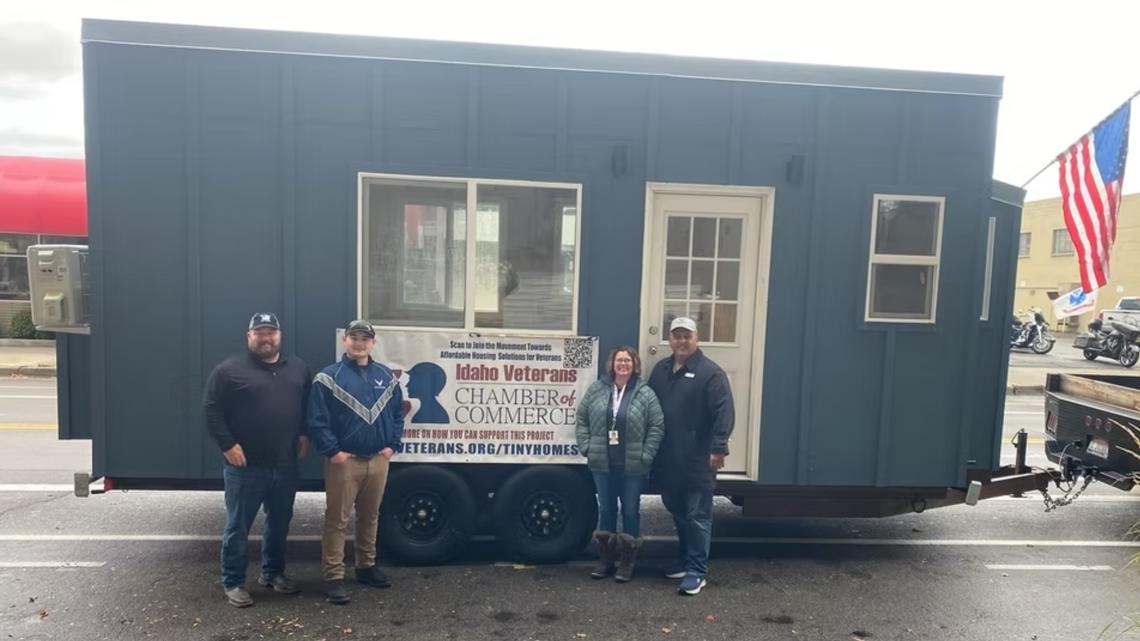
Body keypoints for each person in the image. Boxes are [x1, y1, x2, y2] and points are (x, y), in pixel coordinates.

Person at [203, 312, 311, 608]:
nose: (266, 338)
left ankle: (272, 573)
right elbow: (211, 411)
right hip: (245, 467)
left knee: (279, 522)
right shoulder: (229, 370)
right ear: (249, 336)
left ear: (280, 336)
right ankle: (233, 582)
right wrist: (227, 445)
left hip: (285, 464)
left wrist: (303, 434)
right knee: (238, 526)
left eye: (271, 332)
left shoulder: (299, 368)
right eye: (260, 333)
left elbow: (305, 406)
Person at [307, 320, 405, 605]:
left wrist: (392, 446)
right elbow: (316, 420)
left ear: (373, 343)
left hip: (378, 460)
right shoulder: (328, 377)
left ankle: (366, 567)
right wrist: (332, 451)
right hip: (344, 462)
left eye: (365, 338)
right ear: (345, 341)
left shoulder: (386, 376)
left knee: (370, 517)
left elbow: (398, 413)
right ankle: (333, 577)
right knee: (337, 521)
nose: (359, 343)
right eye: (354, 338)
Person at [647, 317, 734, 596]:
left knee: (697, 515)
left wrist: (718, 447)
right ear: (669, 339)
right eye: (676, 336)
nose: (681, 341)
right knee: (677, 510)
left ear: (697, 339)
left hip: (698, 458)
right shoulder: (660, 370)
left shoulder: (711, 373)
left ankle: (697, 570)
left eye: (687, 336)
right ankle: (684, 560)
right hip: (668, 457)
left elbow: (724, 412)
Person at [575, 346, 664, 582]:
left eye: (627, 360)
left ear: (634, 365)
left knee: (630, 511)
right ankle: (605, 560)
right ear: (612, 364)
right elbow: (582, 418)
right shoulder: (597, 389)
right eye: (619, 360)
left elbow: (656, 426)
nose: (623, 364)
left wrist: (646, 455)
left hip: (633, 465)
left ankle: (627, 562)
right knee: (606, 510)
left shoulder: (645, 394)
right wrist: (586, 446)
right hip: (602, 463)